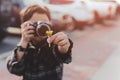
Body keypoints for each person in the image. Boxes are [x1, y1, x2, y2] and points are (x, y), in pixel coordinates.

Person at [7, 5, 73, 80]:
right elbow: (15, 70)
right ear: (24, 26)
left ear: (50, 23)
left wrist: (64, 48)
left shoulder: (54, 42)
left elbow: (63, 55)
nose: (41, 26)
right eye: (35, 23)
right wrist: (24, 41)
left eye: (44, 22)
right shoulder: (24, 46)